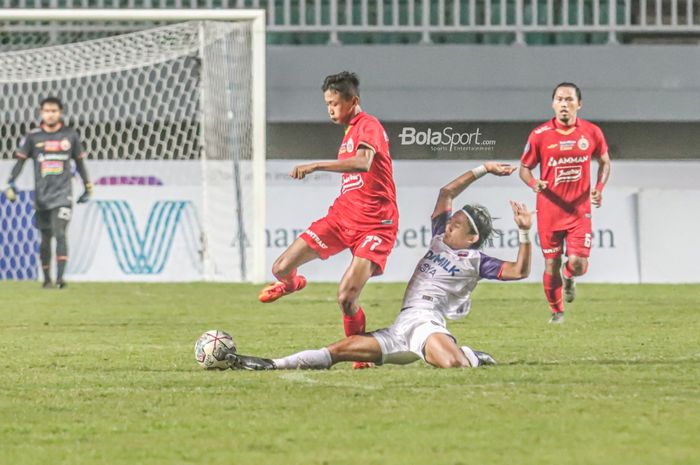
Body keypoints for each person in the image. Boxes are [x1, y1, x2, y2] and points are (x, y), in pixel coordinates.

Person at [227, 163, 532, 371]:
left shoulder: (477, 261)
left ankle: (470, 356)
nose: (451, 222)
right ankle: (272, 364)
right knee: (338, 351)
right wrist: (484, 170)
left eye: (459, 223)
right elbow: (446, 193)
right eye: (454, 218)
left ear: (472, 237)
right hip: (401, 328)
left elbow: (519, 271)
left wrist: (524, 232)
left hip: (427, 323)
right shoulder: (440, 237)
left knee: (453, 366)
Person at [258, 72, 399, 369]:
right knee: (280, 267)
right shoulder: (348, 133)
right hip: (341, 217)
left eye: (335, 104)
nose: (330, 110)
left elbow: (363, 163)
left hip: (376, 224)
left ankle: (360, 355)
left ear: (354, 101)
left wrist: (316, 165)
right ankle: (292, 283)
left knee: (346, 297)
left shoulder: (368, 125)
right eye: (327, 105)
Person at [519, 83, 612, 323]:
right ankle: (557, 311)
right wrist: (533, 183)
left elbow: (604, 161)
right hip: (549, 211)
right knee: (551, 263)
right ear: (552, 104)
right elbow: (524, 168)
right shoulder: (540, 135)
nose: (564, 104)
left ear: (579, 104)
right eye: (559, 99)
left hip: (579, 211)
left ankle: (570, 277)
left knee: (578, 263)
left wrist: (599, 189)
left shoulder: (592, 132)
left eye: (569, 99)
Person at [5, 96, 92, 289]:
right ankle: (46, 279)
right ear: (41, 113)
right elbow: (20, 162)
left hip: (63, 195)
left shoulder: (70, 135)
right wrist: (10, 182)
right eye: (46, 111)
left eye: (54, 111)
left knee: (60, 232)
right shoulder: (33, 137)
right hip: (42, 197)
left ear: (60, 113)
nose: (50, 114)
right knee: (45, 237)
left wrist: (87, 186)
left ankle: (60, 279)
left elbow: (79, 162)